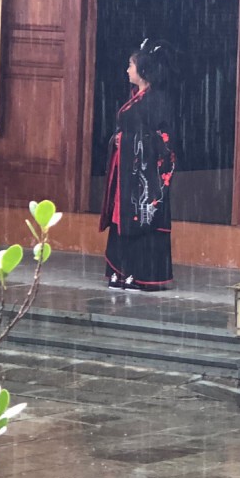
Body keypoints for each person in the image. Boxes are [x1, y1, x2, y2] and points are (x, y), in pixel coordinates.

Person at [99, 40, 176, 291]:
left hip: (144, 175)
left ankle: (141, 274)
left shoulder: (156, 100)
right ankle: (120, 270)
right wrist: (120, 140)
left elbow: (163, 138)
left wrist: (129, 141)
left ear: (142, 70)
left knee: (141, 216)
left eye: (130, 66)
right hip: (127, 172)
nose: (127, 70)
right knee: (121, 216)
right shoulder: (135, 97)